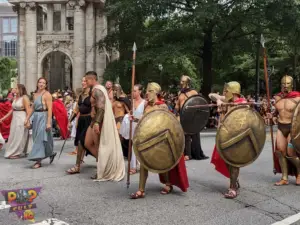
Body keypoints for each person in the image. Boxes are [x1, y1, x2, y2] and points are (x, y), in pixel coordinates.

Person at [130, 82, 189, 199]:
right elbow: (145, 122)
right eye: (147, 91)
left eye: (149, 91)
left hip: (161, 141)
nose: (147, 93)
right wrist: (136, 119)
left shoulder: (162, 106)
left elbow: (169, 124)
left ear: (156, 93)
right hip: (148, 139)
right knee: (144, 163)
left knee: (163, 164)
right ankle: (141, 190)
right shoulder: (147, 106)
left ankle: (168, 184)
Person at [73, 71, 125, 181]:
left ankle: (101, 169)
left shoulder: (97, 90)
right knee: (87, 143)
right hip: (94, 120)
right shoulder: (95, 89)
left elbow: (101, 107)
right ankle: (104, 164)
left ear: (92, 79)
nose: (85, 82)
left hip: (99, 121)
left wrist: (97, 122)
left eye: (86, 80)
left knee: (98, 146)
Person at [209, 81, 247, 199]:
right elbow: (211, 95)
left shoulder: (243, 103)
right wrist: (219, 100)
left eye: (226, 91)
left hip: (236, 136)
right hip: (224, 135)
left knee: (234, 162)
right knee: (226, 160)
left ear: (234, 92)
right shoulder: (226, 100)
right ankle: (234, 180)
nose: (224, 93)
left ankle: (233, 188)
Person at [268, 75, 300, 185]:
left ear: (291, 84)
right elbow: (276, 114)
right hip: (281, 127)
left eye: (287, 83)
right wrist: (271, 116)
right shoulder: (278, 98)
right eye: (283, 83)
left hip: (293, 128)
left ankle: (299, 174)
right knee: (280, 152)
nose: (285, 86)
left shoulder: (297, 98)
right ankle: (284, 178)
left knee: (291, 153)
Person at [24, 77, 56, 169]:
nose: (41, 84)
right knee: (37, 138)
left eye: (43, 83)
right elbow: (33, 108)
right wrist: (27, 118)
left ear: (46, 85)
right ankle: (51, 153)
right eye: (40, 82)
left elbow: (50, 109)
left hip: (44, 116)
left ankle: (38, 161)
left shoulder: (47, 94)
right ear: (37, 83)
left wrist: (48, 123)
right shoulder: (35, 94)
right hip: (36, 118)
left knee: (40, 139)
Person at [175, 75, 208, 160]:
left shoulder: (193, 92)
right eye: (181, 81)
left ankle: (192, 153)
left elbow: (199, 104)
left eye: (183, 81)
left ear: (187, 82)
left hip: (192, 116)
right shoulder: (180, 93)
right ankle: (187, 154)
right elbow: (177, 105)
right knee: (185, 135)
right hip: (183, 116)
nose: (181, 83)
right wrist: (176, 108)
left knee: (192, 134)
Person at [66, 77, 92, 174]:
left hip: (89, 120)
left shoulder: (93, 94)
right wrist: (69, 121)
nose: (83, 82)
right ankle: (79, 162)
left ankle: (77, 166)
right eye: (82, 81)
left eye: (85, 81)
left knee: (83, 142)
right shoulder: (81, 95)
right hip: (81, 120)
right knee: (81, 142)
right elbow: (76, 109)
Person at [120, 84, 145, 175]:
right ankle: (133, 166)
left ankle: (141, 163)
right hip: (132, 126)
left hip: (141, 126)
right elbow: (129, 112)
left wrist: (137, 119)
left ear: (140, 92)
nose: (133, 92)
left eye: (135, 91)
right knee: (134, 145)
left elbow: (146, 115)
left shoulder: (144, 102)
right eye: (132, 91)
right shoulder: (131, 102)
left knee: (140, 146)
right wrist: (129, 116)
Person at [1, 84, 30, 159]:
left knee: (19, 135)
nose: (14, 89)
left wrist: (27, 120)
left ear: (20, 89)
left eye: (16, 88)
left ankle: (17, 152)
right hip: (15, 118)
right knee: (14, 135)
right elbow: (12, 110)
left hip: (21, 117)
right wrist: (3, 118)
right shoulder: (15, 98)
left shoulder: (25, 98)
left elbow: (28, 110)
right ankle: (13, 151)